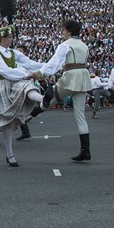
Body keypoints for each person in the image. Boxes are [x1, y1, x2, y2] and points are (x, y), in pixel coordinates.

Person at [0, 25, 44, 167]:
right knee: (7, 122)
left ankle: (44, 99)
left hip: (11, 84)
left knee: (25, 86)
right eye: (9, 37)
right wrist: (28, 74)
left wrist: (45, 68)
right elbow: (6, 71)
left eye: (11, 37)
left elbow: (30, 63)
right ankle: (9, 154)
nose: (11, 39)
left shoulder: (13, 53)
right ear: (1, 39)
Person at [36, 20, 94, 162]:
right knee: (80, 115)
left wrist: (41, 72)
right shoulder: (84, 46)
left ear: (68, 31)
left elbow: (55, 62)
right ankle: (85, 150)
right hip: (83, 76)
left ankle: (31, 114)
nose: (62, 32)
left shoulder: (65, 45)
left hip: (70, 76)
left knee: (52, 98)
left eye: (63, 30)